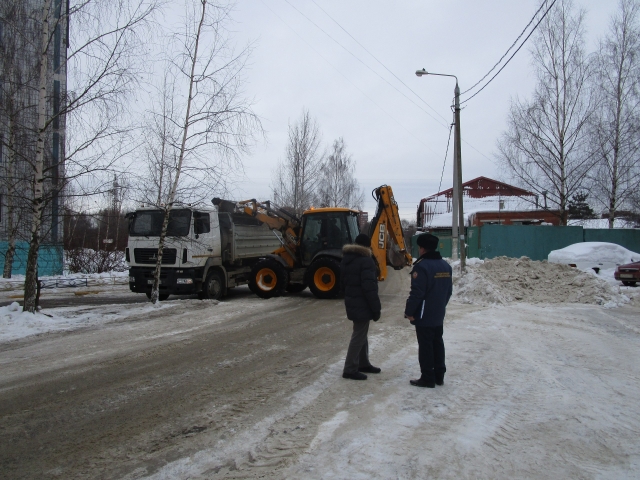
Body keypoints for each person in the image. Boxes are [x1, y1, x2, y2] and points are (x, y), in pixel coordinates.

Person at [404, 233, 452, 388]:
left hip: (424, 314)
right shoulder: (445, 266)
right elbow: (448, 291)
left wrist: (409, 311)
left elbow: (417, 292)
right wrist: (441, 306)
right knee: (437, 342)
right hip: (438, 313)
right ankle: (439, 376)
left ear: (422, 248)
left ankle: (427, 377)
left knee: (425, 345)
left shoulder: (422, 266)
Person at [341, 233, 382, 380]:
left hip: (352, 302)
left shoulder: (348, 259)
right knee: (358, 335)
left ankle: (363, 363)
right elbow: (369, 287)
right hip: (362, 303)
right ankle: (350, 368)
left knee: (361, 333)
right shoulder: (366, 261)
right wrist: (376, 307)